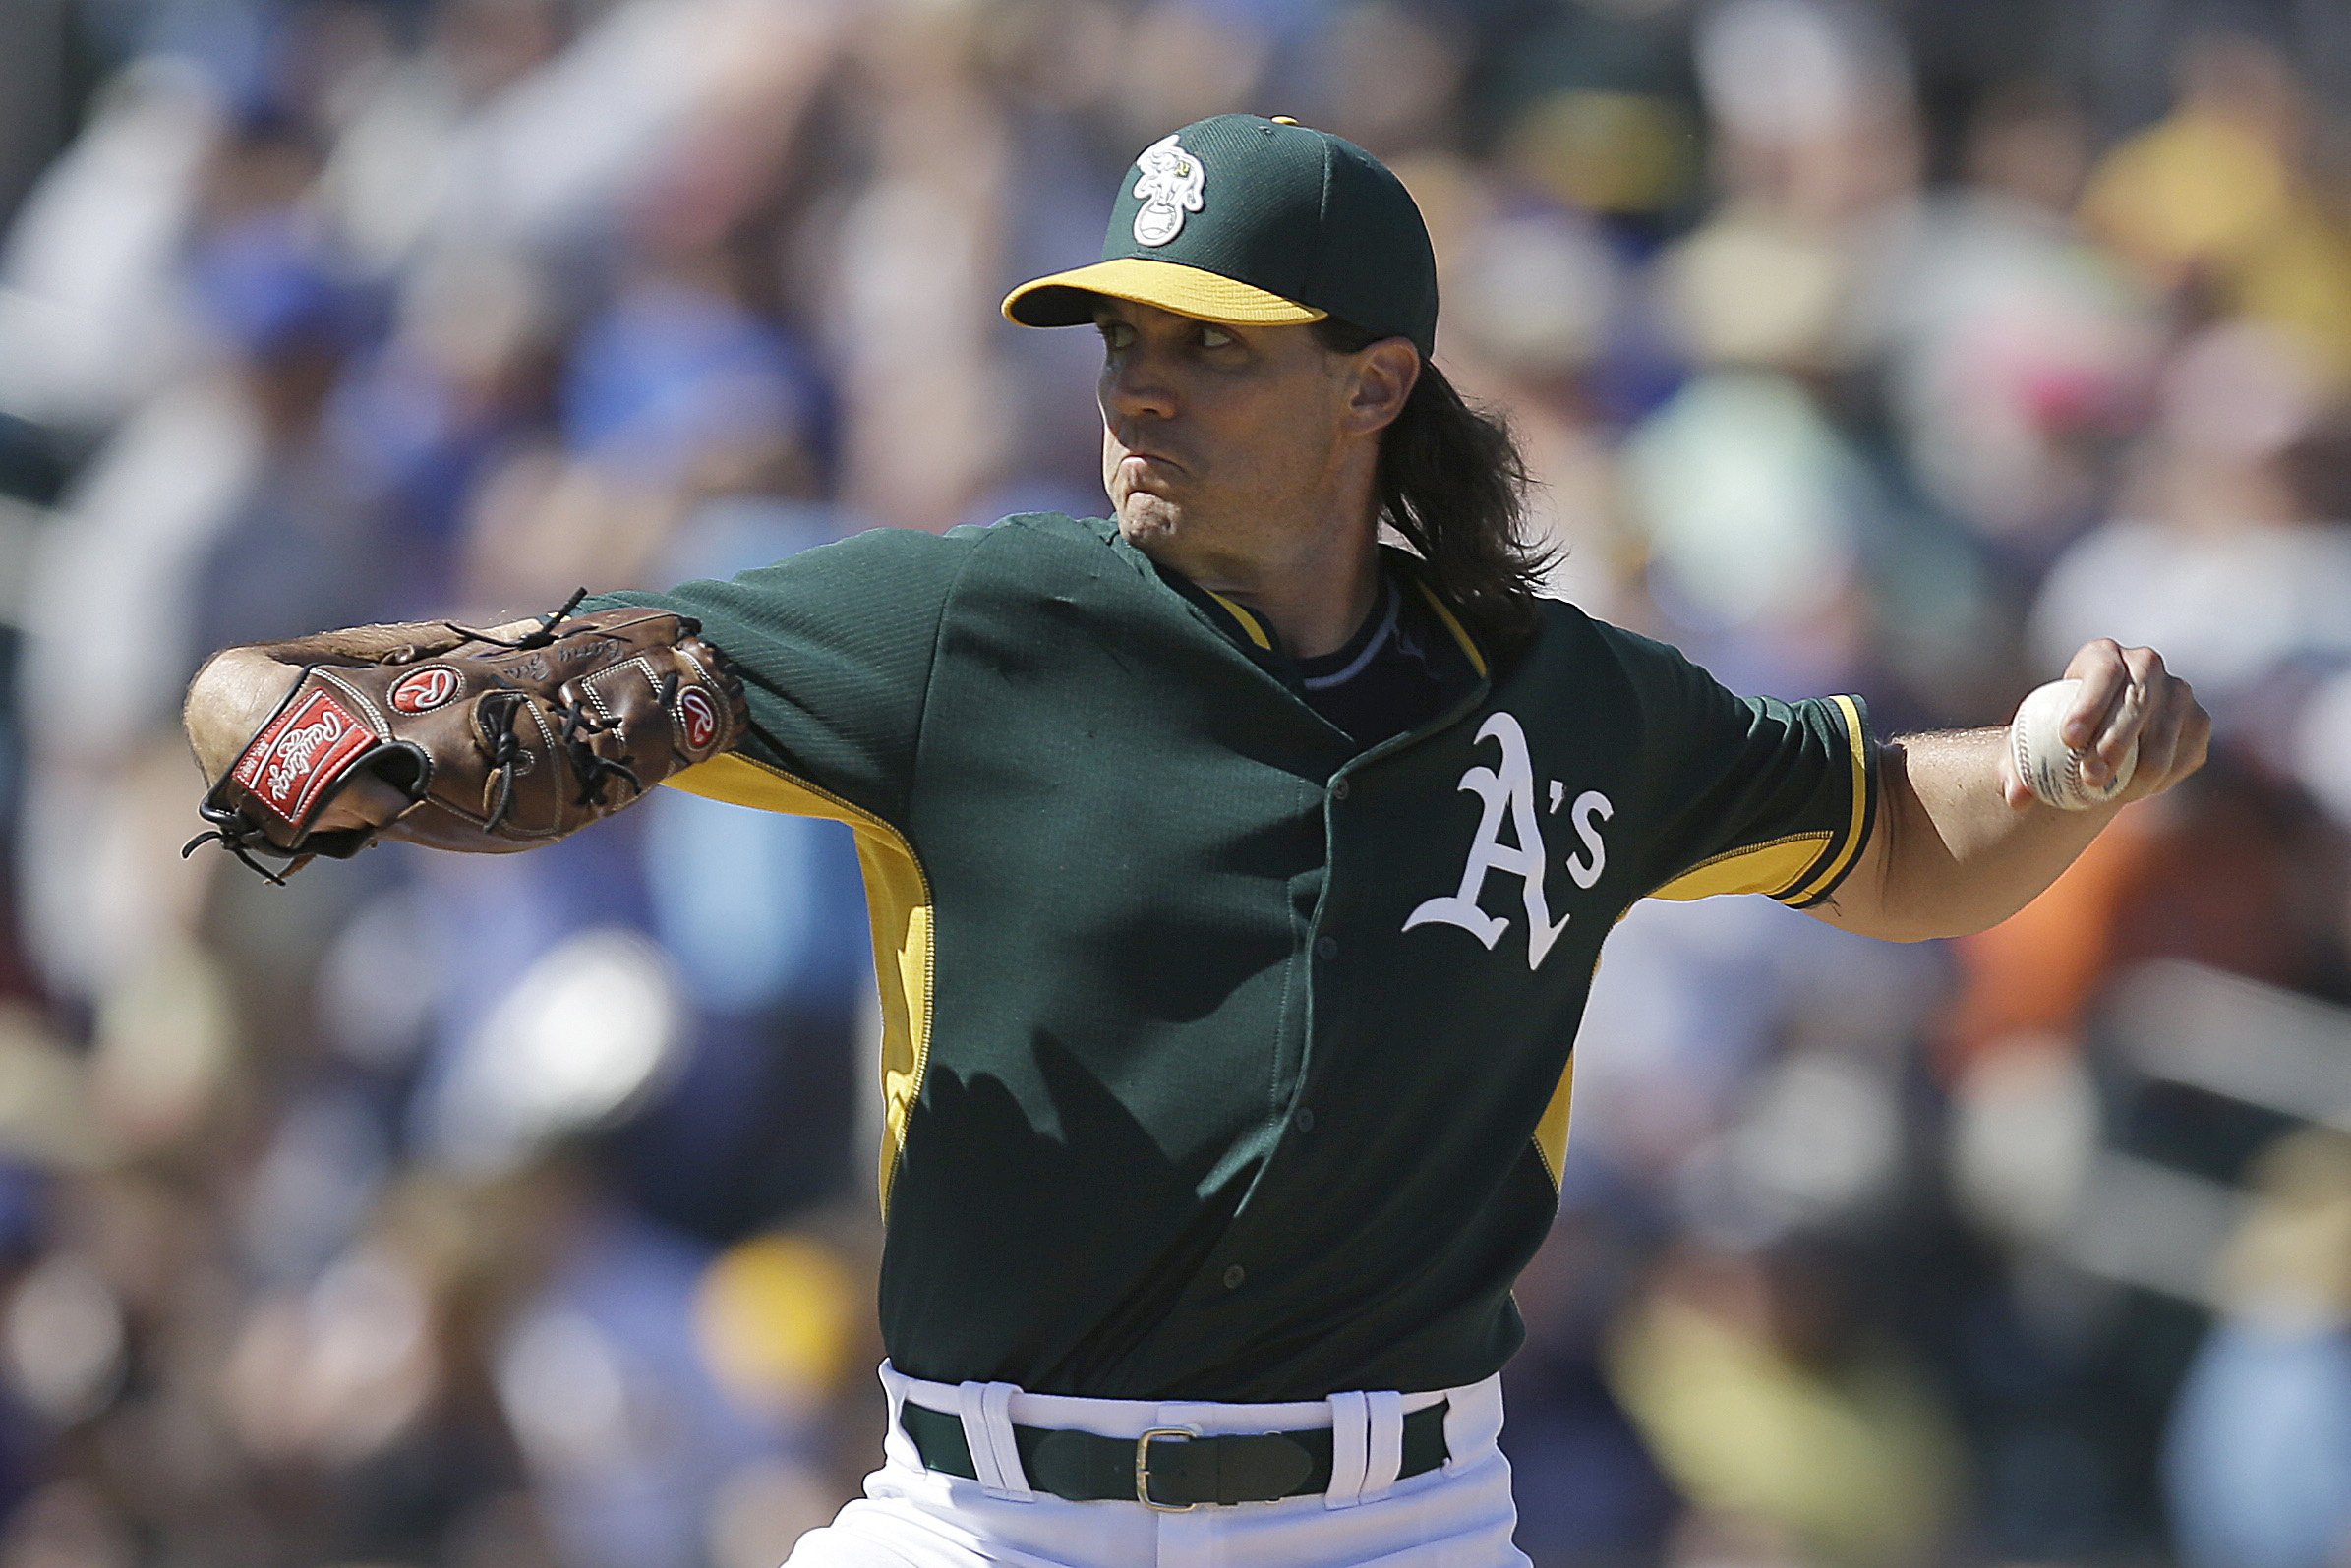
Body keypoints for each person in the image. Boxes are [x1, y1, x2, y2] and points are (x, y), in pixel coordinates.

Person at [183, 115, 2208, 1567]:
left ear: (1372, 384)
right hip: (988, 1518)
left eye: (1206, 345)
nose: (1137, 387)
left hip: (1397, 1521)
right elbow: (307, 701)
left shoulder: (1573, 705)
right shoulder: (970, 628)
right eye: (1116, 342)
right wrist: (296, 755)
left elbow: (1882, 836)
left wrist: (2044, 778)